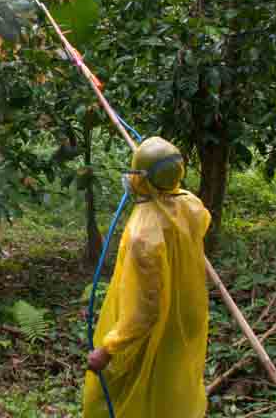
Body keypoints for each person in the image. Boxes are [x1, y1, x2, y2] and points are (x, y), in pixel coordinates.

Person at [83, 136, 211, 418]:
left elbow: (146, 310)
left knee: (130, 397)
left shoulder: (143, 234)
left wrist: (108, 349)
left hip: (157, 326)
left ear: (143, 177)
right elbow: (200, 224)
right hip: (187, 314)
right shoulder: (191, 204)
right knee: (172, 387)